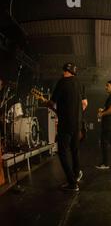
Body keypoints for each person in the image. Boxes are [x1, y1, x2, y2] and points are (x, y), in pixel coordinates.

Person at [46, 63, 87, 192]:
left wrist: (50, 105)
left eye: (64, 71)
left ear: (66, 71)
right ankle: (76, 174)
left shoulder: (62, 82)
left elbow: (52, 103)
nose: (63, 73)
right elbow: (85, 104)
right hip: (77, 123)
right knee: (75, 150)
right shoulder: (80, 84)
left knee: (62, 152)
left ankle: (72, 183)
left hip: (65, 124)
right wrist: (77, 113)